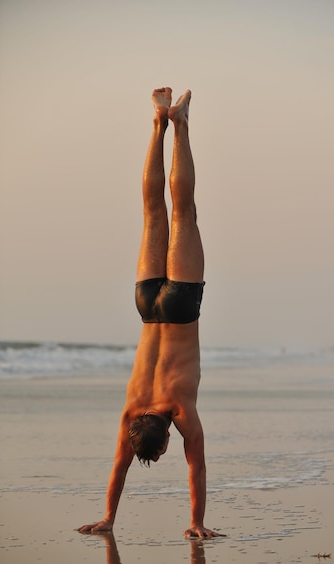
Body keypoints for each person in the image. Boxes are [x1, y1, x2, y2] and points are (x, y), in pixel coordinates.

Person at [77, 87, 220, 539]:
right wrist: (107, 517)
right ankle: (158, 122)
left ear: (163, 443)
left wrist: (196, 522)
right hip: (146, 303)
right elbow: (118, 467)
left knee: (185, 215)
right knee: (152, 213)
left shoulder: (180, 410)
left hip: (179, 305)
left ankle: (181, 124)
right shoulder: (131, 411)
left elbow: (195, 466)